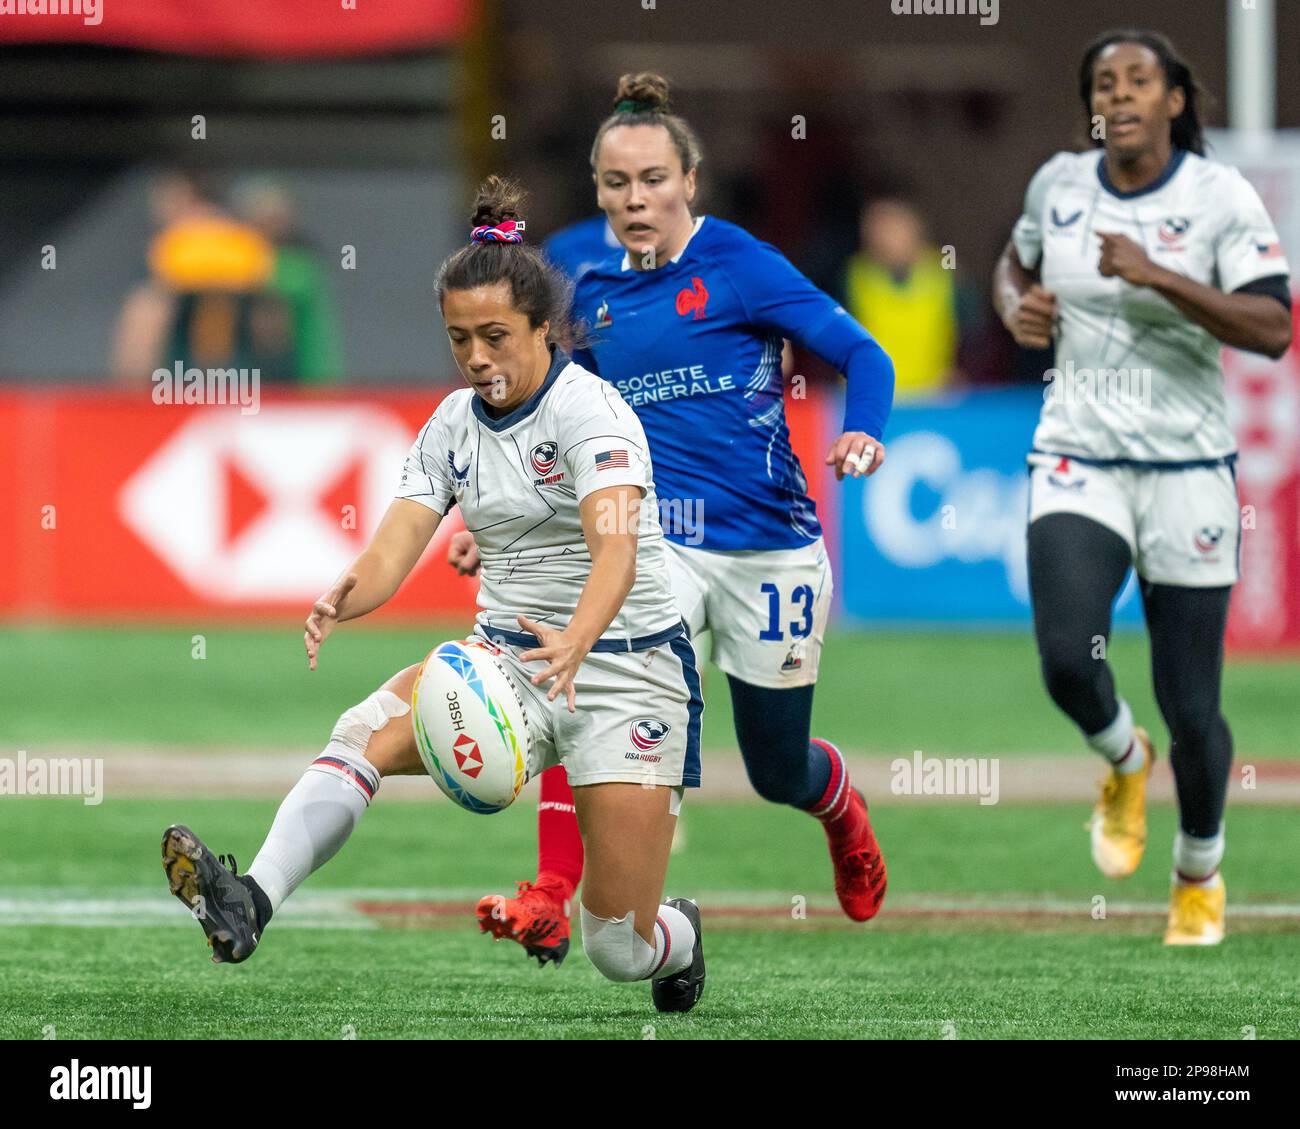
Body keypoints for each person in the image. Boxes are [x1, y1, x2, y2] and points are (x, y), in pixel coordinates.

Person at [161, 175, 707, 1013]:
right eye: (460, 341)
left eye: (496, 336)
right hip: (507, 660)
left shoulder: (591, 414)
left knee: (618, 946)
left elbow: (618, 553)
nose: (479, 357)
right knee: (362, 730)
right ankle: (250, 898)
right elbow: (397, 542)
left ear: (542, 329)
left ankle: (681, 935)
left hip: (626, 670)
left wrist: (578, 637)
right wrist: (346, 592)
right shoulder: (452, 423)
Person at [451, 72, 896, 966]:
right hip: (654, 545)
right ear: (598, 189)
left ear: (689, 179)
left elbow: (862, 352)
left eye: (653, 180)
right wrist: (491, 512)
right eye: (617, 184)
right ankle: (549, 892)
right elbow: (533, 401)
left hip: (769, 548)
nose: (635, 199)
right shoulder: (573, 273)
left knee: (778, 770)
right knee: (583, 680)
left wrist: (862, 433)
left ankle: (837, 801)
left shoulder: (739, 265)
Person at [992, 30, 1291, 945]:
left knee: (1195, 709)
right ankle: (1122, 757)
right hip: (1078, 453)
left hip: (1189, 471)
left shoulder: (1217, 196)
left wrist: (1159, 274)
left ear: (1172, 100)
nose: (1118, 96)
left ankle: (1198, 869)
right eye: (1103, 84)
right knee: (1064, 661)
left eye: (1138, 82)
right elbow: (1016, 262)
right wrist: (1014, 302)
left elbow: (1274, 326)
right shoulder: (1061, 183)